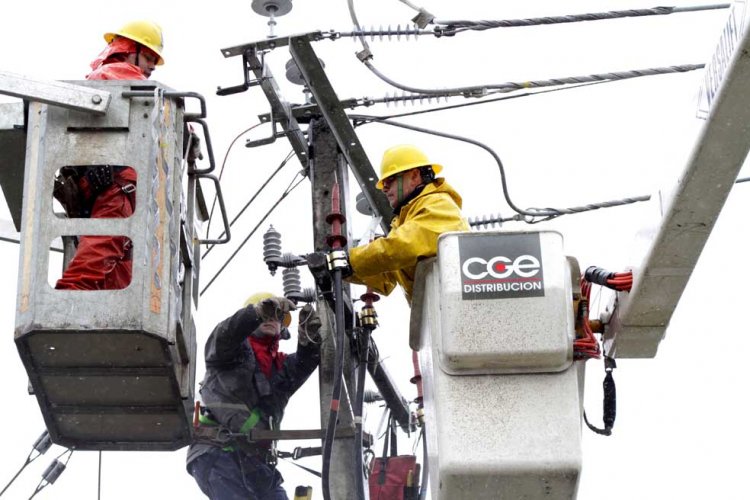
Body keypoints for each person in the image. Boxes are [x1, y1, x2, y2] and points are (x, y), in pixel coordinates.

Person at [54, 20, 165, 290]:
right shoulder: (118, 73)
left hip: (102, 183)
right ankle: (70, 296)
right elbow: (161, 103)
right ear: (130, 50)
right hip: (115, 183)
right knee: (106, 245)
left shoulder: (107, 80)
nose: (151, 66)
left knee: (117, 256)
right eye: (149, 57)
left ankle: (97, 310)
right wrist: (189, 128)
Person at [186, 293, 323, 500]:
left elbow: (306, 362)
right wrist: (256, 312)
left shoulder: (281, 368)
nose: (272, 319)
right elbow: (225, 335)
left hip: (255, 460)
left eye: (277, 316)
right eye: (268, 314)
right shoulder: (231, 352)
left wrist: (309, 340)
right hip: (217, 452)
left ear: (282, 328)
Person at [346, 144, 470, 303]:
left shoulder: (438, 203)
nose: (384, 188)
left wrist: (350, 261)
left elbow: (404, 245)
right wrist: (343, 270)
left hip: (456, 306)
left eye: (390, 180)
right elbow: (386, 276)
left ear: (414, 175)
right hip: (438, 311)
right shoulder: (406, 218)